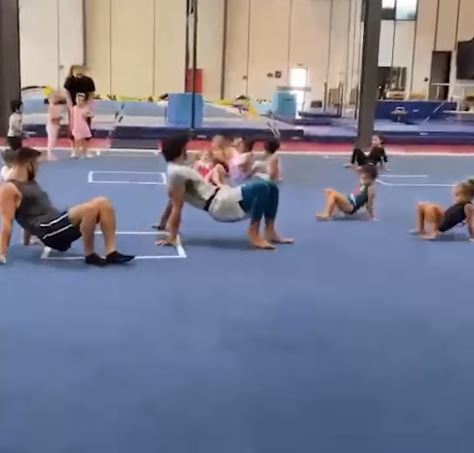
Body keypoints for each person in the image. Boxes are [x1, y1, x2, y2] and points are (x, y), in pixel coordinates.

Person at [0, 147, 134, 266]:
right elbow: (7, 223)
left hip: (56, 223)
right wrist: (2, 253)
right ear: (27, 164)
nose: (38, 167)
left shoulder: (30, 182)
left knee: (103, 202)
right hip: (48, 230)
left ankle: (111, 252)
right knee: (88, 209)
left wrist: (26, 240)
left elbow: (29, 210)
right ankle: (90, 254)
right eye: (36, 164)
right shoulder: (9, 188)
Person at [157, 135, 293, 250]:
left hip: (222, 196)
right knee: (261, 187)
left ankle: (270, 231)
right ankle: (253, 233)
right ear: (180, 150)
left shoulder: (177, 169)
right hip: (220, 205)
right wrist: (172, 237)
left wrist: (163, 222)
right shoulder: (178, 172)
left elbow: (173, 200)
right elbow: (177, 205)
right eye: (185, 148)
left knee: (272, 187)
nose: (187, 150)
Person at [71, 93, 94, 158]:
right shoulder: (74, 108)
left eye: (81, 100)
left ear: (83, 101)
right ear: (76, 100)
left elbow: (92, 115)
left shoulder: (85, 108)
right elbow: (72, 118)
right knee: (77, 141)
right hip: (76, 127)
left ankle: (85, 152)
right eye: (78, 100)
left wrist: (88, 115)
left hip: (83, 126)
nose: (79, 102)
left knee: (85, 140)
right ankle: (77, 152)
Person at [46, 90, 66, 160]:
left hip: (54, 126)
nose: (57, 99)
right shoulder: (52, 107)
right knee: (51, 140)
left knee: (53, 140)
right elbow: (52, 119)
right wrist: (59, 118)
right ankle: (49, 154)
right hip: (52, 126)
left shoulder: (55, 106)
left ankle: (50, 154)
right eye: (55, 97)